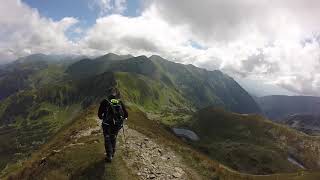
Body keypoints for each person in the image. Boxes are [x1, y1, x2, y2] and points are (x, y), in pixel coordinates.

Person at [98, 87, 128, 162]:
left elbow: (99, 114)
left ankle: (109, 155)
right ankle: (113, 153)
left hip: (107, 124)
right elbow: (126, 114)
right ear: (116, 94)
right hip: (117, 124)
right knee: (113, 137)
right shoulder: (119, 102)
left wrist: (103, 117)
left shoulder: (105, 101)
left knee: (107, 138)